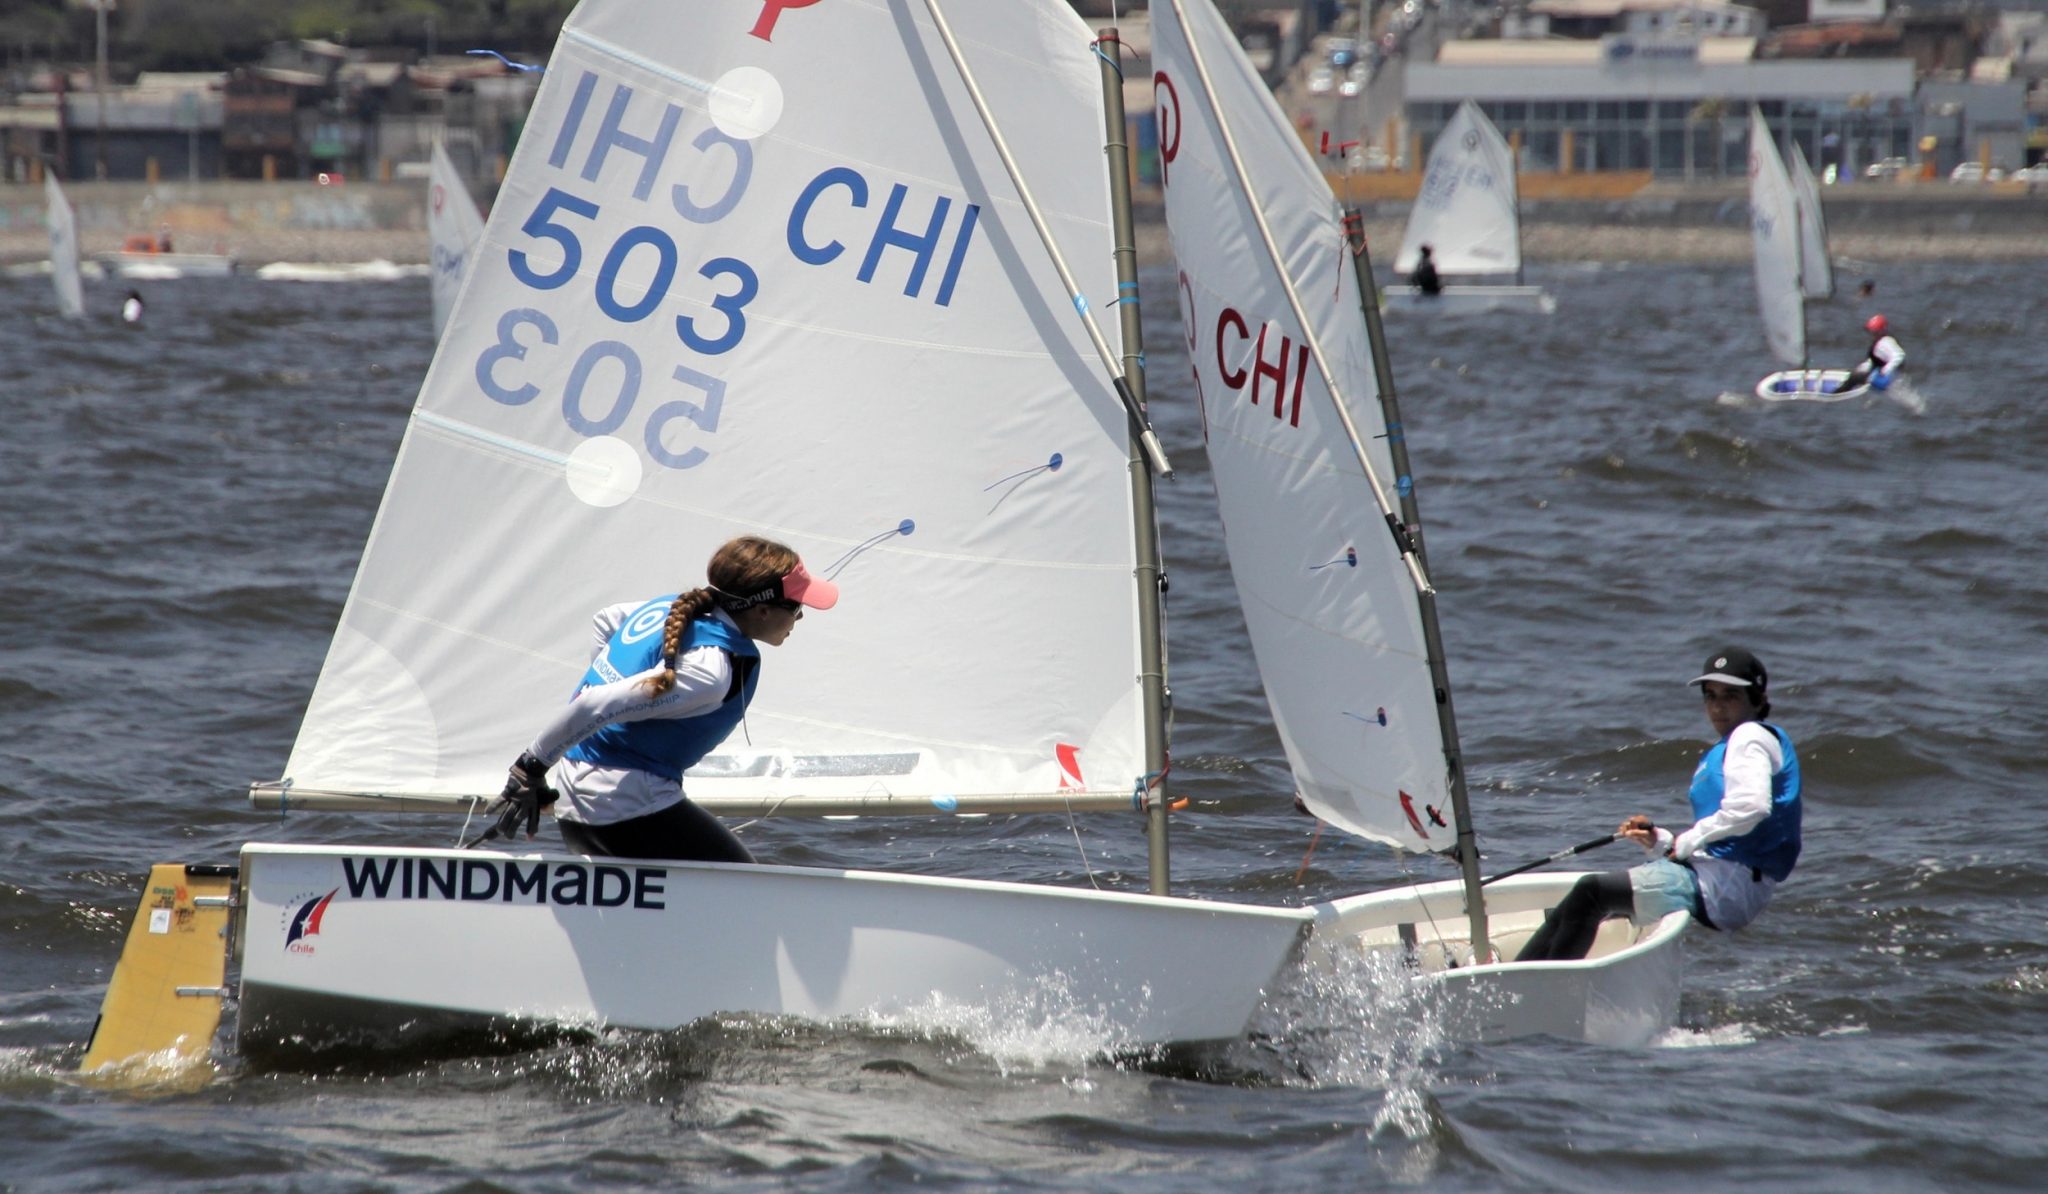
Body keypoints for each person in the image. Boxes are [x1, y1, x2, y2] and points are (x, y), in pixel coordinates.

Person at [474, 535, 839, 862]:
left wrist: (625, 699)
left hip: (583, 793)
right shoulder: (711, 673)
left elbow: (606, 620)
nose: (800, 617)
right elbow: (593, 705)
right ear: (762, 610)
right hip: (625, 803)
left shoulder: (674, 608)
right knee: (748, 893)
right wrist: (528, 770)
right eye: (796, 607)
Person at [1515, 647, 1802, 962]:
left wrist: (1690, 839)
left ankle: (1539, 982)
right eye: (1710, 696)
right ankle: (1523, 973)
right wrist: (1661, 841)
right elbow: (1722, 835)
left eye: (1730, 696)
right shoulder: (1730, 745)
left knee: (1591, 893)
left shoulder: (1749, 736)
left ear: (1758, 700)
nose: (1718, 707)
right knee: (1579, 902)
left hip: (1730, 887)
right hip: (1718, 876)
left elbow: (1751, 807)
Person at [1841, 314, 1904, 392]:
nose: (1872, 333)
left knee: (1854, 378)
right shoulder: (1880, 342)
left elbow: (1899, 355)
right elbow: (1874, 361)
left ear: (1880, 331)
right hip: (1878, 375)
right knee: (1854, 374)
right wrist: (1861, 368)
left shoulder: (1885, 343)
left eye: (1874, 331)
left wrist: (1885, 370)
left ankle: (1837, 392)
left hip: (1882, 380)